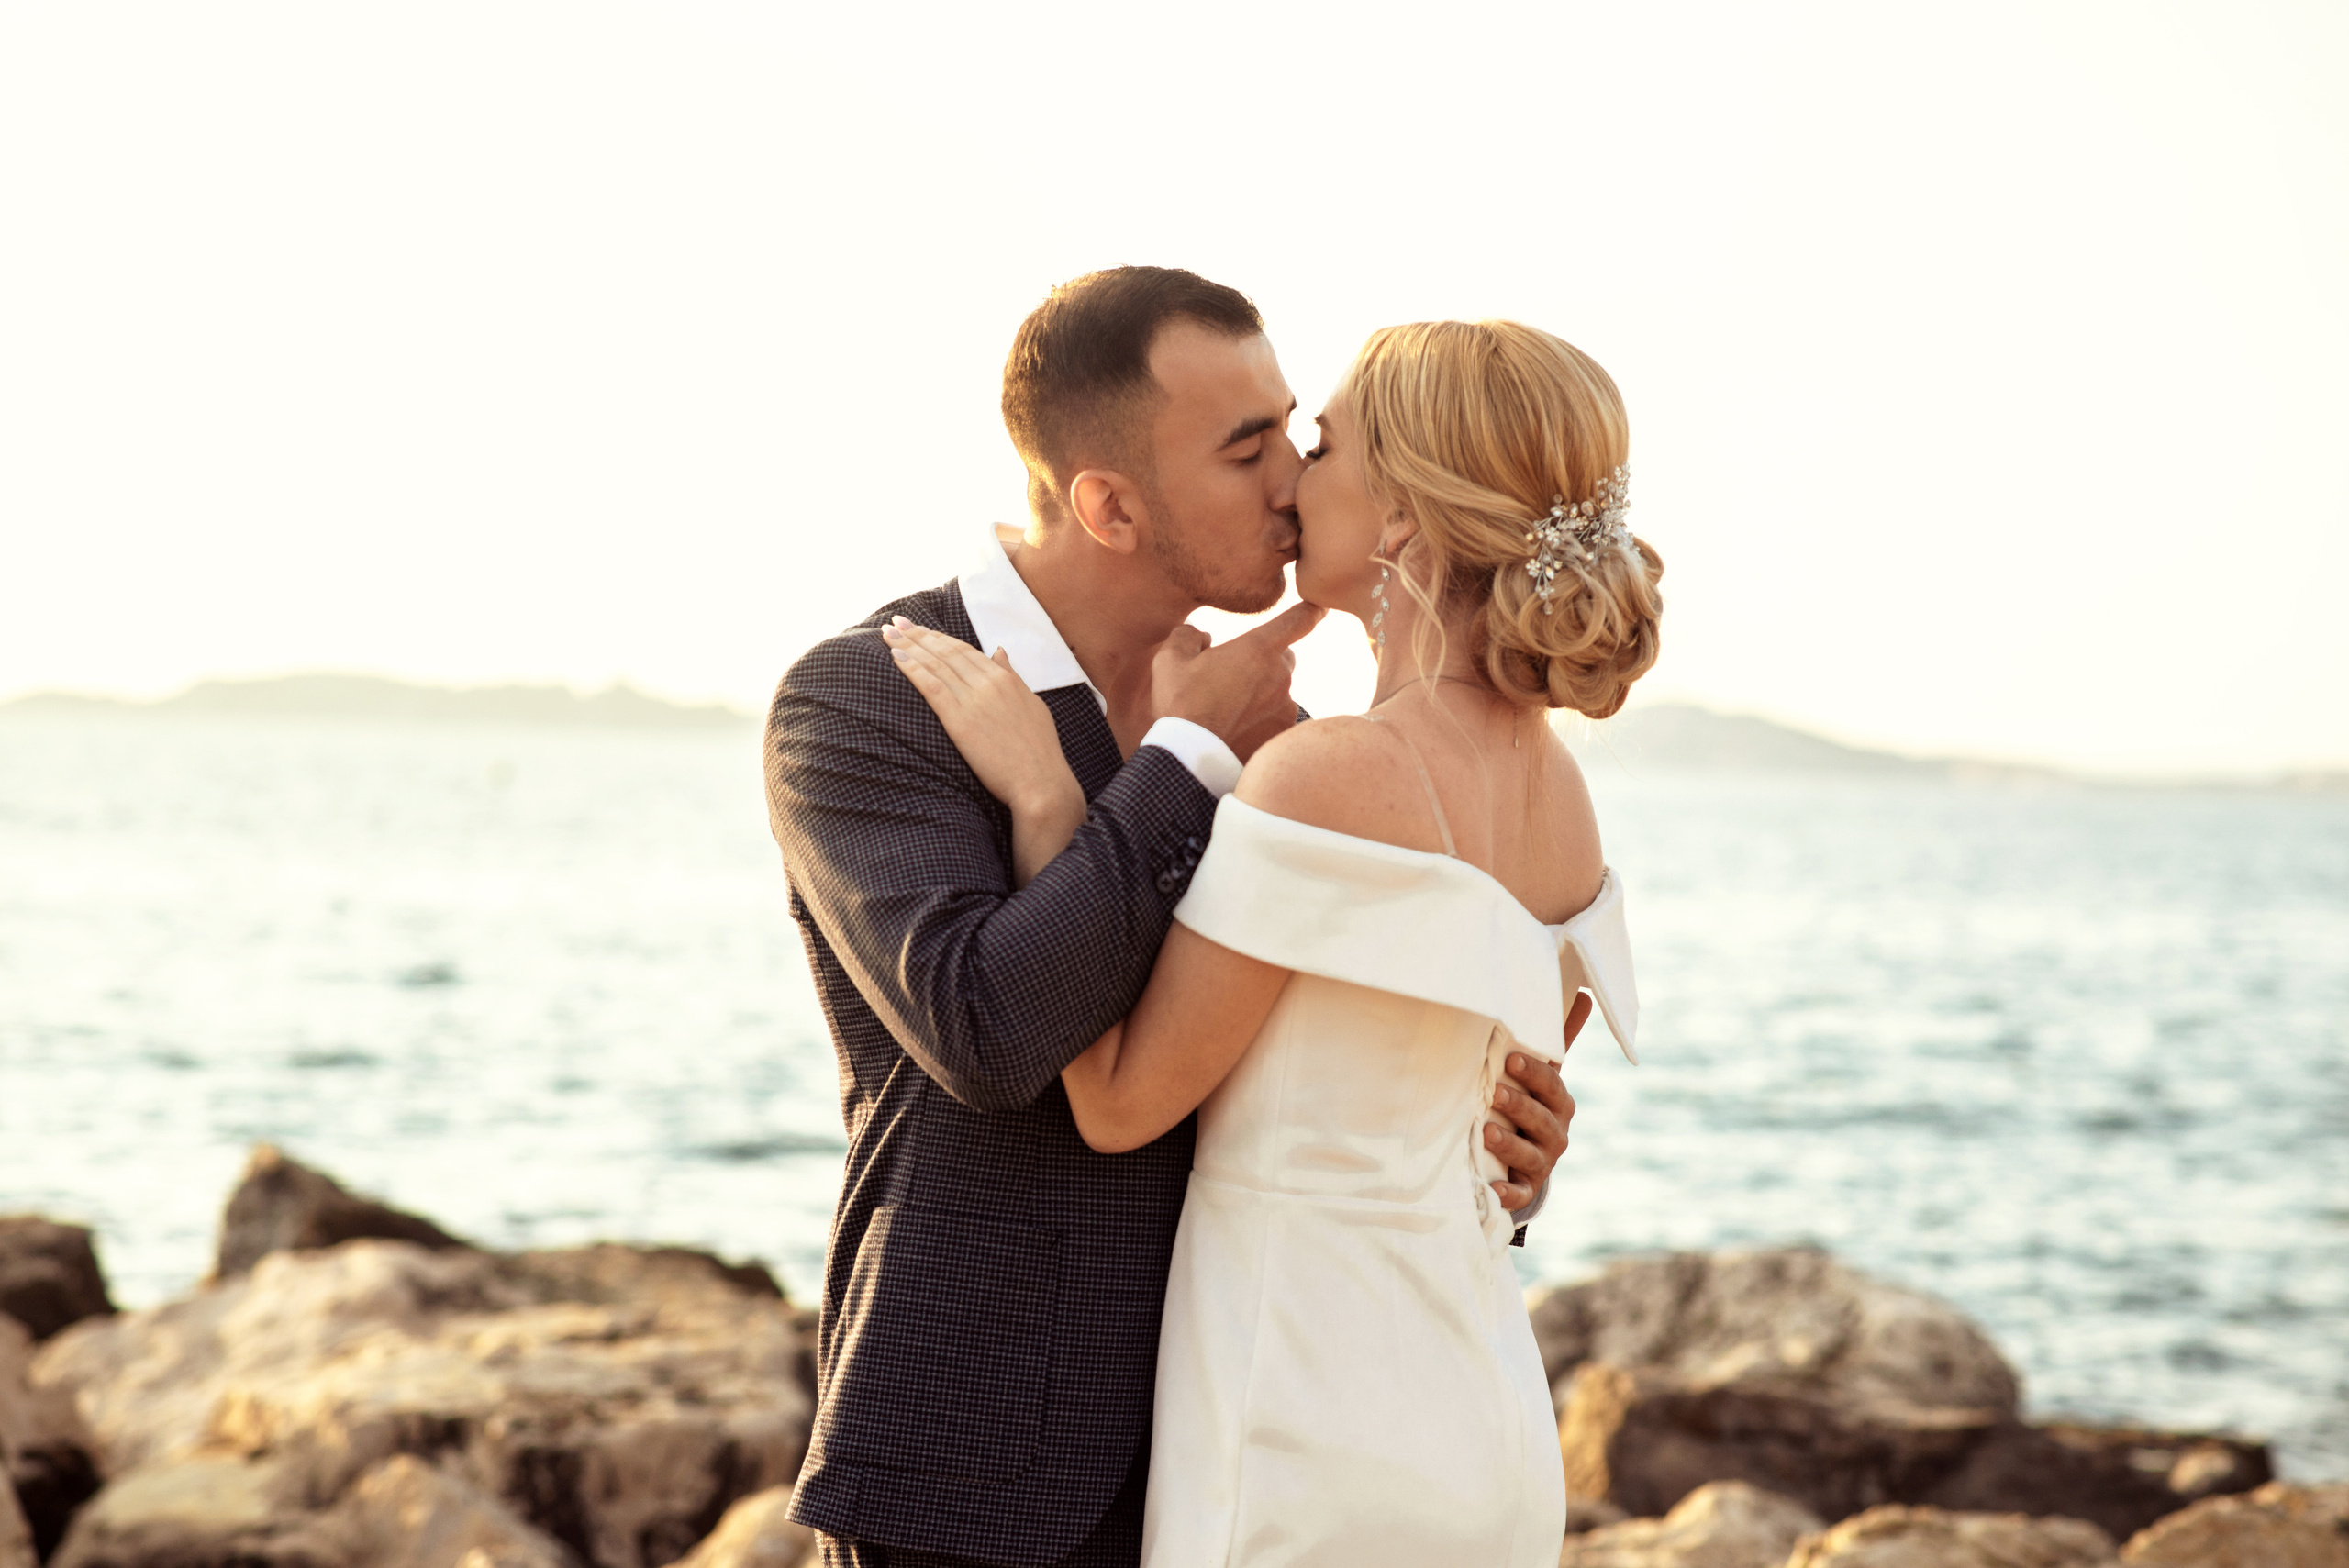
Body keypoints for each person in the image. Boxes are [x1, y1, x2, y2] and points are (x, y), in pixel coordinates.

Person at [763, 269, 1583, 1568]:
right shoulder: (873, 700)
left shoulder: (1279, 750)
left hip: (1235, 1452)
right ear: (1109, 503)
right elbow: (986, 1029)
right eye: (1248, 448)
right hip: (977, 1480)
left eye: (1300, 434)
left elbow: (1299, 1071)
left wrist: (1490, 1148)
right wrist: (1178, 756)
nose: (1290, 481)